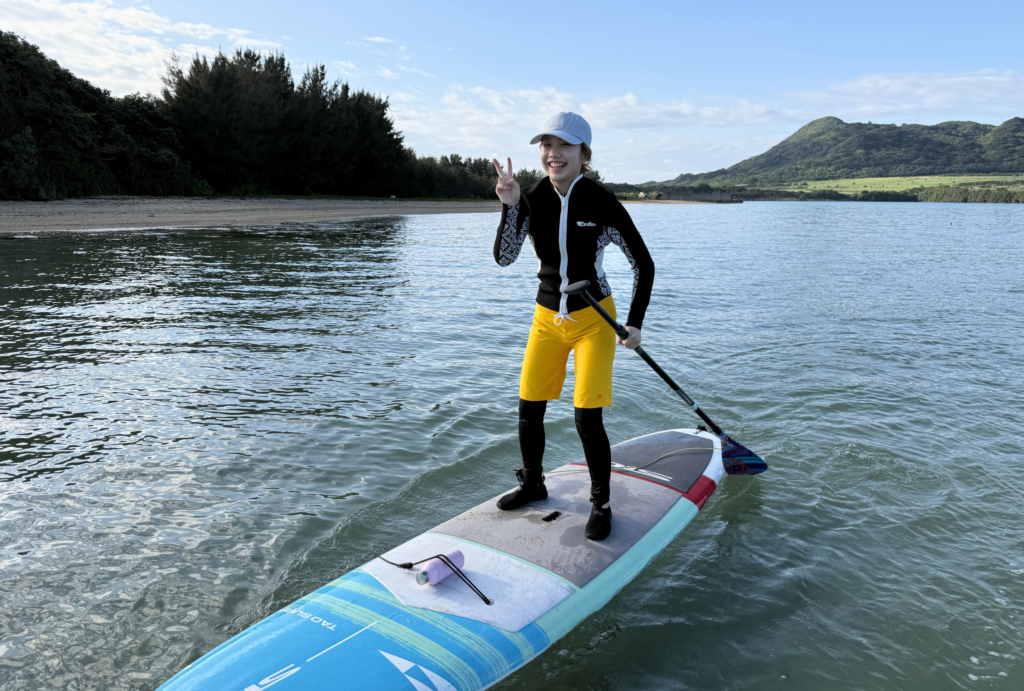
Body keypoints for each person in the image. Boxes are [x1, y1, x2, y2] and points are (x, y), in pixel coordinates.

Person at [490, 111, 655, 541]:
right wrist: (508, 209)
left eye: (564, 146)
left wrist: (634, 323)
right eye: (547, 145)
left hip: (593, 322)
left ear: (584, 153)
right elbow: (505, 258)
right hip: (546, 319)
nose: (553, 154)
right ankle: (533, 483)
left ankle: (600, 504)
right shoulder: (530, 197)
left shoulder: (600, 201)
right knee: (529, 408)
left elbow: (644, 264)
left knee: (587, 417)